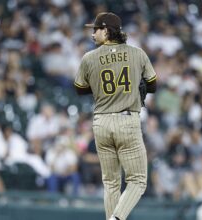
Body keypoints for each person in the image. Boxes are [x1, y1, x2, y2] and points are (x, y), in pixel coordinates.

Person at [74, 12, 157, 220]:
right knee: (137, 180)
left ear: (108, 30)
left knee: (110, 182)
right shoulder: (137, 54)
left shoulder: (89, 58)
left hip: (101, 122)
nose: (93, 33)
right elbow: (153, 85)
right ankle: (116, 218)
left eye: (96, 29)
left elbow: (80, 89)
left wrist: (101, 87)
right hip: (127, 120)